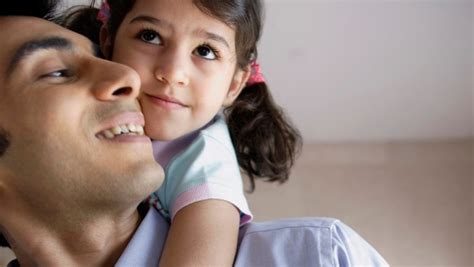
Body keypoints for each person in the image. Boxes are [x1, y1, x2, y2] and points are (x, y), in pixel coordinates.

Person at [0, 0, 389, 266]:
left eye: (205, 51)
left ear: (235, 85)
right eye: (56, 72)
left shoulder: (320, 257)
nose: (126, 77)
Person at [61, 0, 302, 265]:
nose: (172, 72)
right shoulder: (83, 106)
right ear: (109, 41)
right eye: (150, 36)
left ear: (234, 85)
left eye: (205, 51)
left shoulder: (204, 167)